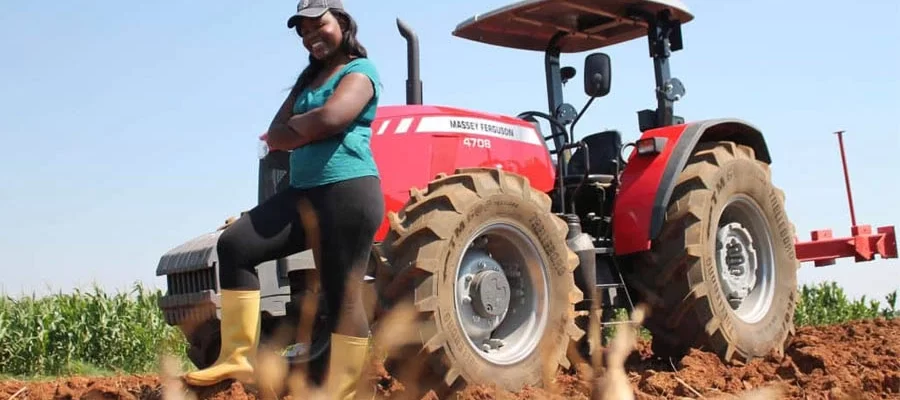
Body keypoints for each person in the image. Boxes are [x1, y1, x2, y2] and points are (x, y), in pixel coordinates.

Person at [182, 1, 384, 399]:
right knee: (236, 243)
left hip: (348, 191)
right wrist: (301, 127)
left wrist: (300, 128)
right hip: (303, 193)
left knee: (341, 291)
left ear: (341, 22)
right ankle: (237, 355)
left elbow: (333, 118)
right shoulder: (307, 82)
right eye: (303, 30)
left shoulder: (361, 71)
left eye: (318, 24)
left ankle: (344, 390)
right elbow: (275, 134)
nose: (311, 35)